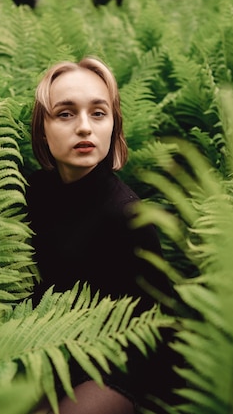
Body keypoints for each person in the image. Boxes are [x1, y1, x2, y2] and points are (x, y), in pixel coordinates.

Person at [26, 56, 180, 414]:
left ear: (113, 125)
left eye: (98, 113)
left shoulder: (127, 215)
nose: (84, 127)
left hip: (118, 369)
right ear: (42, 129)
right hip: (41, 351)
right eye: (66, 114)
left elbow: (154, 332)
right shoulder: (27, 194)